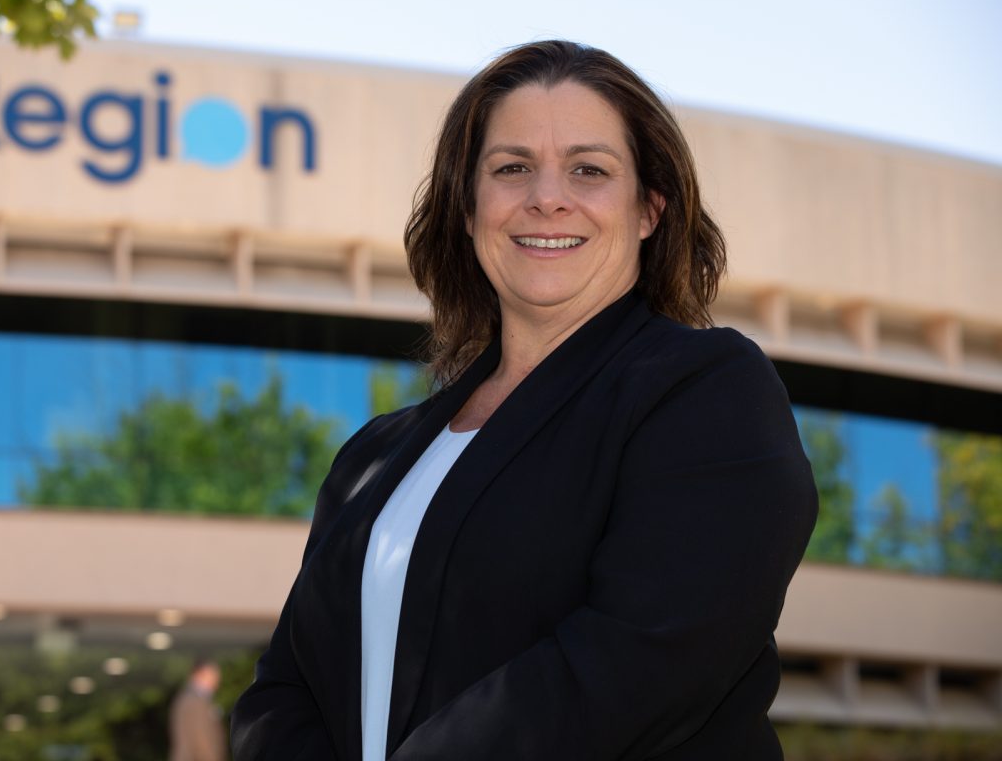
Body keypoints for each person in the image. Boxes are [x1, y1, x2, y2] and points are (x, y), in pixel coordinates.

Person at [230, 40, 818, 760]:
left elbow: (637, 664)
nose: (547, 196)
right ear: (470, 211)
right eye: (512, 168)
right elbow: (282, 690)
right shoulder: (374, 458)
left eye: (588, 169)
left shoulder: (704, 392)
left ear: (648, 210)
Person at [170, 657, 229, 761]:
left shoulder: (195, 698)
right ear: (199, 674)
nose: (217, 679)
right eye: (213, 675)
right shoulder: (194, 701)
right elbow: (201, 740)